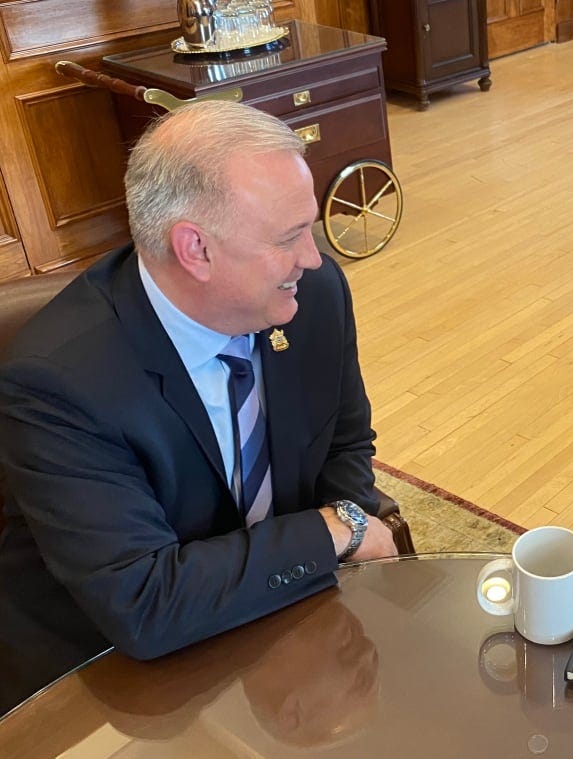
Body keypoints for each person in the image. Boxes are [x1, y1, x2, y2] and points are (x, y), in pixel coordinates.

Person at [0, 100, 398, 715]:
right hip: (112, 676)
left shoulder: (315, 296)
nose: (314, 257)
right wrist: (334, 532)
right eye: (289, 237)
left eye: (309, 227)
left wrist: (339, 525)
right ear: (196, 250)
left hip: (274, 603)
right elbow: (145, 603)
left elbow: (345, 440)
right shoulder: (57, 383)